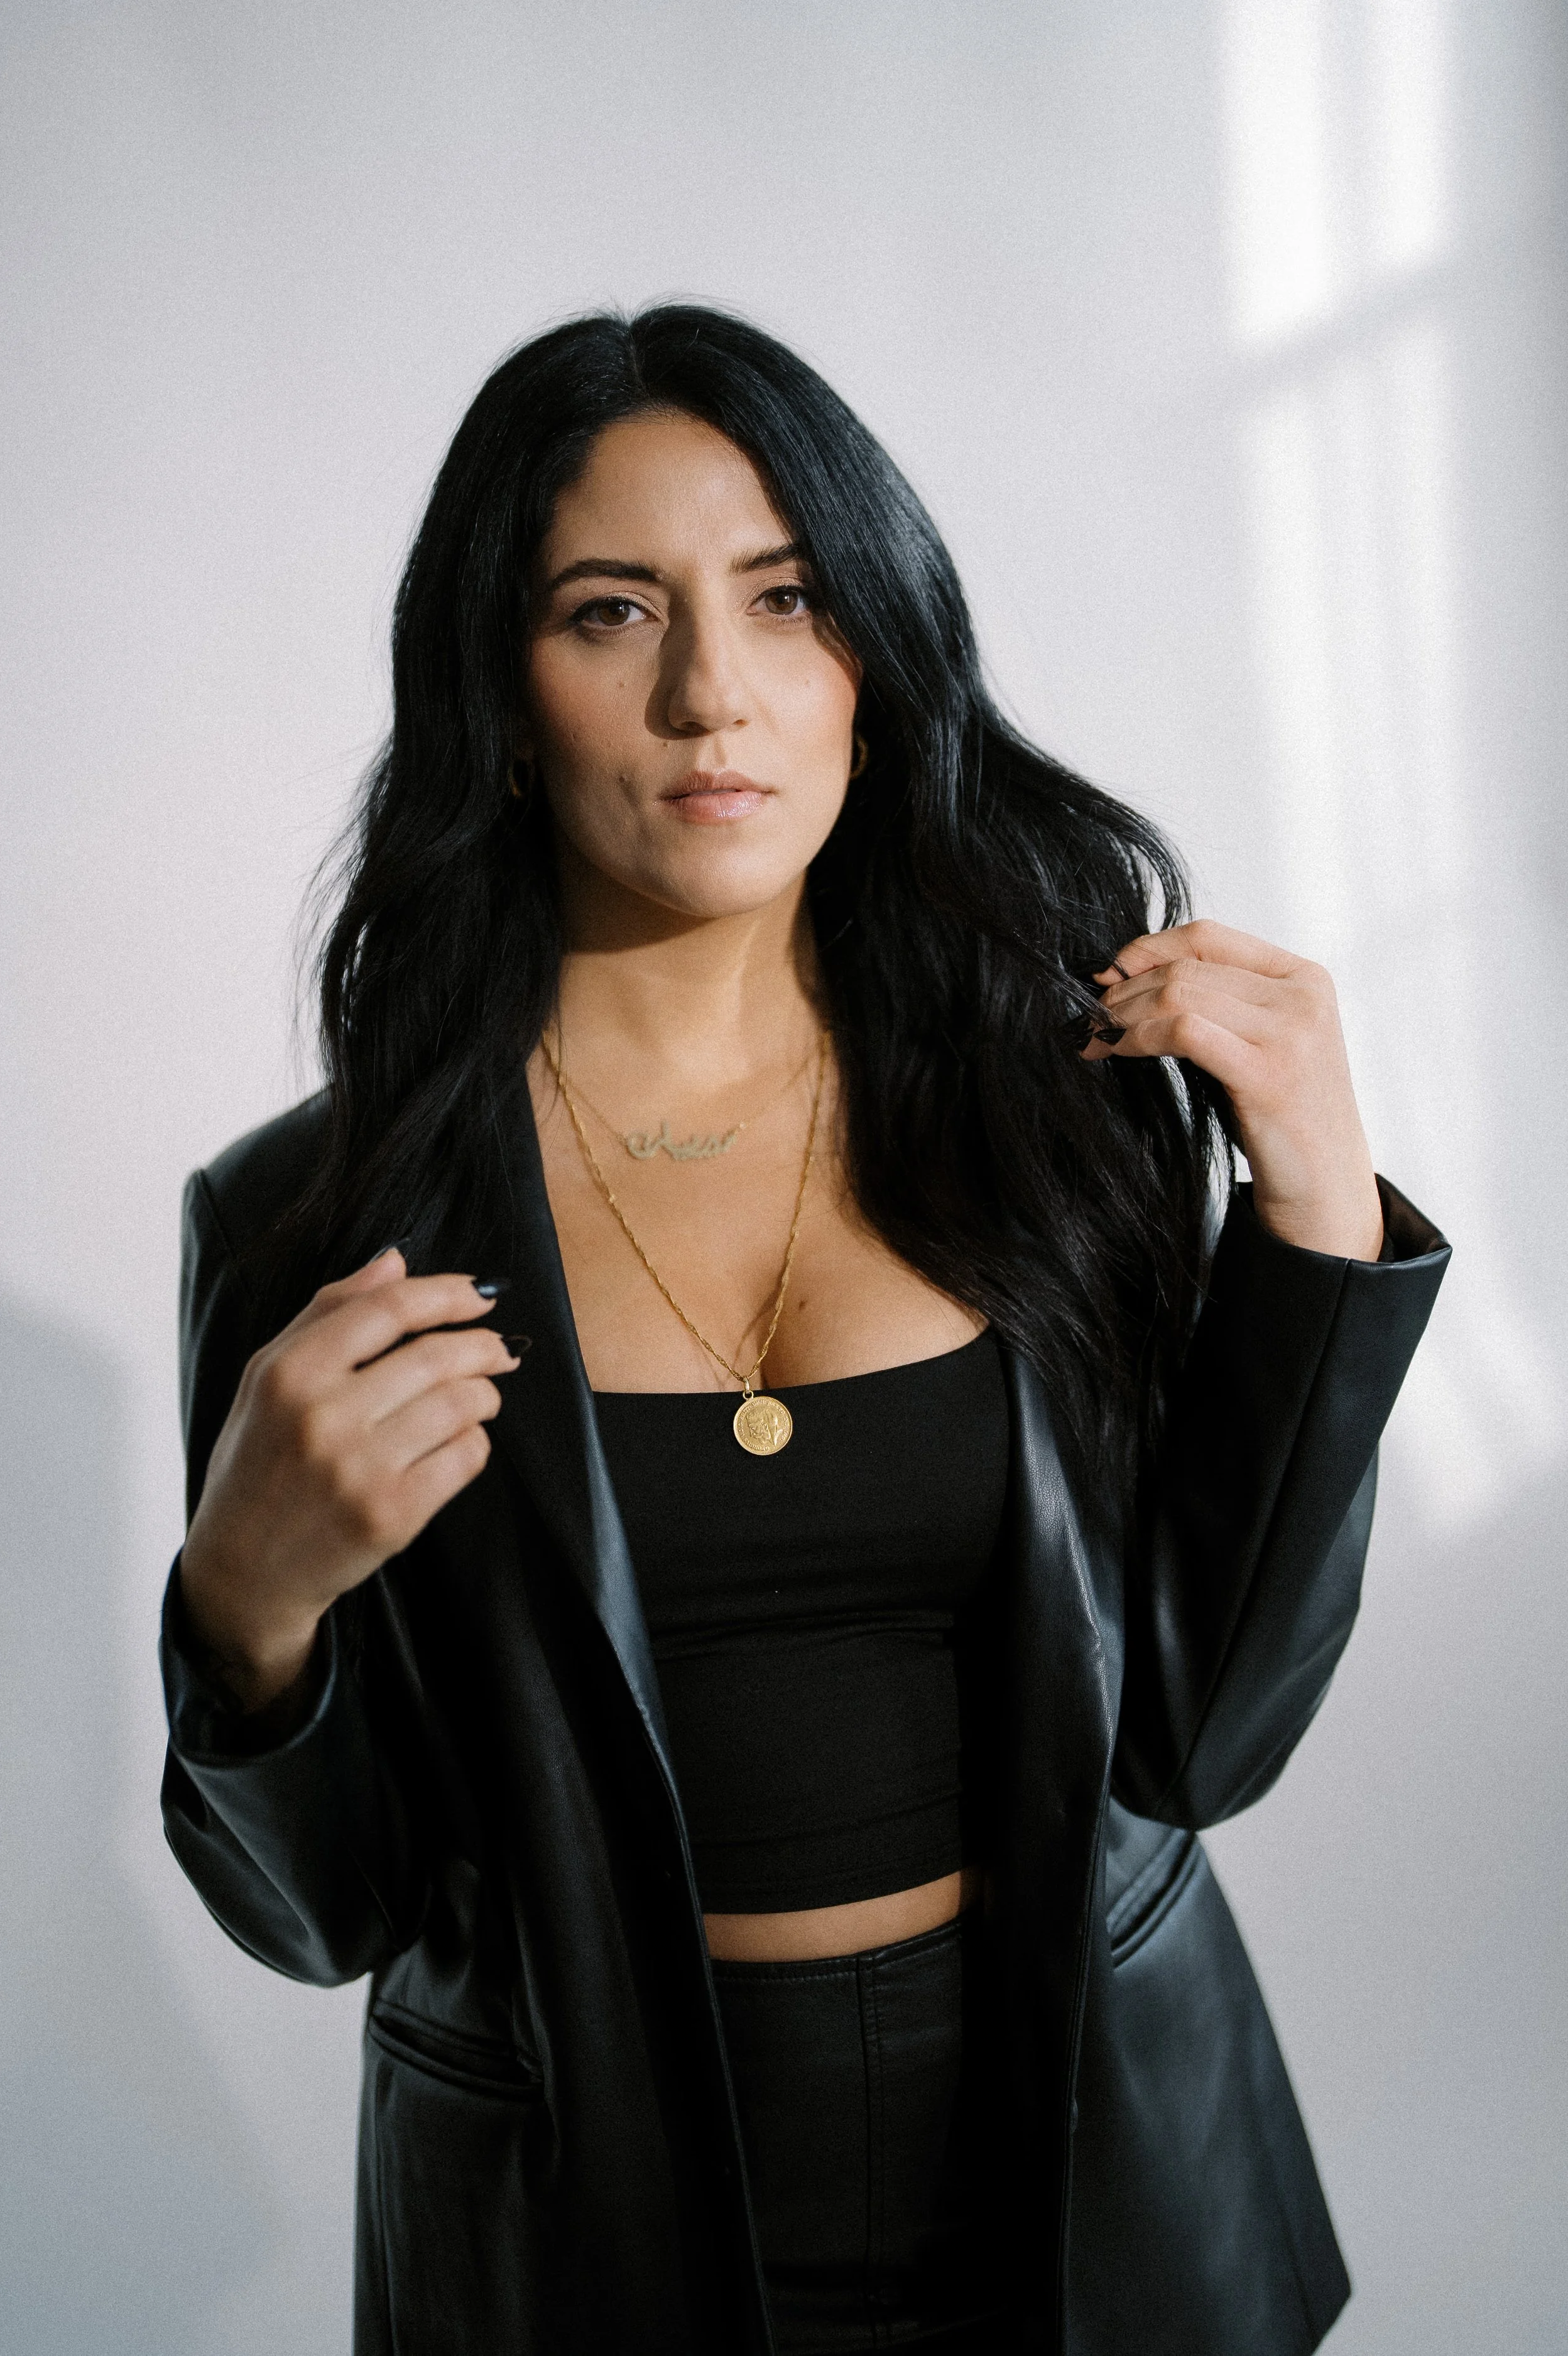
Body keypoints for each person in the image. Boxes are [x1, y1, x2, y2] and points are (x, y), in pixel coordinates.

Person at [160, 305, 1449, 2356]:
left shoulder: (1065, 1118)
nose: (709, 694)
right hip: (586, 2229)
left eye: (784, 599)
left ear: (875, 656)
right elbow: (334, 1914)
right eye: (610, 612)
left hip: (1091, 2179)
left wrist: (1309, 1204)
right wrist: (244, 1615)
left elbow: (1207, 1729)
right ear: (499, 689)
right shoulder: (318, 1223)